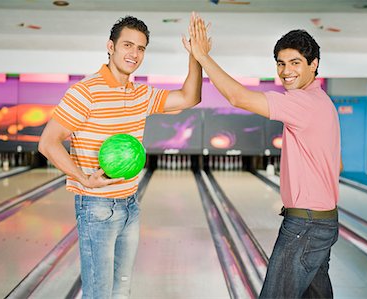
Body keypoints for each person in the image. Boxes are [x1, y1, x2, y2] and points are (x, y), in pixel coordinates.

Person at [38, 15, 205, 299]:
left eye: (141, 48)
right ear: (110, 46)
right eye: (128, 45)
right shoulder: (85, 92)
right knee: (99, 294)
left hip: (130, 204)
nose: (134, 53)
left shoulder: (140, 94)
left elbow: (190, 97)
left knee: (122, 290)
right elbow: (48, 142)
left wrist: (197, 56)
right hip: (96, 207)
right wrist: (83, 179)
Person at [188, 13, 341, 299]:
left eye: (295, 63)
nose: (286, 71)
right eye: (281, 64)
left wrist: (202, 57)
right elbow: (337, 163)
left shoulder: (303, 102)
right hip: (323, 222)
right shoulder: (323, 101)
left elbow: (238, 97)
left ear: (314, 64)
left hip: (305, 227)